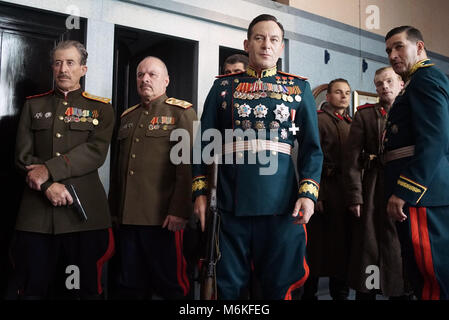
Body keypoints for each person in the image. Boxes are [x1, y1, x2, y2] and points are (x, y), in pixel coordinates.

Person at [193, 14, 323, 300]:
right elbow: (203, 145)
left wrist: (308, 193)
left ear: (281, 48)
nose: (266, 45)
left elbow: (313, 149)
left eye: (274, 39)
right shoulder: (223, 88)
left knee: (278, 284)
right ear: (247, 43)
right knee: (229, 286)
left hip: (282, 205)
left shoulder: (298, 89)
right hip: (230, 205)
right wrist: (200, 194)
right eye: (259, 38)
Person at [12, 40, 115, 300]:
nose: (63, 69)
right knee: (32, 288)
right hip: (37, 216)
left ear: (83, 69)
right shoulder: (33, 105)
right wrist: (47, 186)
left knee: (82, 290)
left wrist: (48, 170)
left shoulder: (101, 108)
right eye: (58, 63)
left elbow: (95, 153)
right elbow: (22, 157)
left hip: (83, 216)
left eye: (70, 63)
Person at [109, 56, 197, 299]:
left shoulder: (182, 113)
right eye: (140, 75)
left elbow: (188, 165)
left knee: (173, 286)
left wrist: (181, 210)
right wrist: (114, 211)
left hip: (164, 220)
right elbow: (119, 169)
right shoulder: (127, 116)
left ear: (166, 81)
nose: (144, 79)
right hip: (128, 220)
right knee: (130, 286)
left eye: (152, 75)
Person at [384, 26, 449, 300]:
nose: (393, 55)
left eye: (399, 47)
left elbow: (435, 140)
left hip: (423, 195)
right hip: (421, 194)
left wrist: (405, 191)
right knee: (420, 276)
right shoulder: (413, 82)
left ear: (419, 47)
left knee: (431, 276)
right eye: (388, 50)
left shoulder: (425, 78)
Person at [344, 67, 411, 299]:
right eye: (379, 83)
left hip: (403, 185)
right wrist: (355, 196)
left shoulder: (410, 112)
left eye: (389, 81)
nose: (384, 87)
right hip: (373, 187)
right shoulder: (364, 115)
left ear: (401, 83)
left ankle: (401, 290)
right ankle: (367, 291)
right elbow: (351, 160)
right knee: (369, 245)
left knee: (401, 245)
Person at [302, 79, 352, 300]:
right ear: (328, 97)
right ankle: (309, 293)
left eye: (347, 93)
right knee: (317, 249)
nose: (344, 96)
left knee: (342, 247)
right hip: (324, 190)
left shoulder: (351, 122)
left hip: (345, 192)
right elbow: (311, 157)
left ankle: (339, 293)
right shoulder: (319, 120)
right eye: (339, 92)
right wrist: (317, 194)